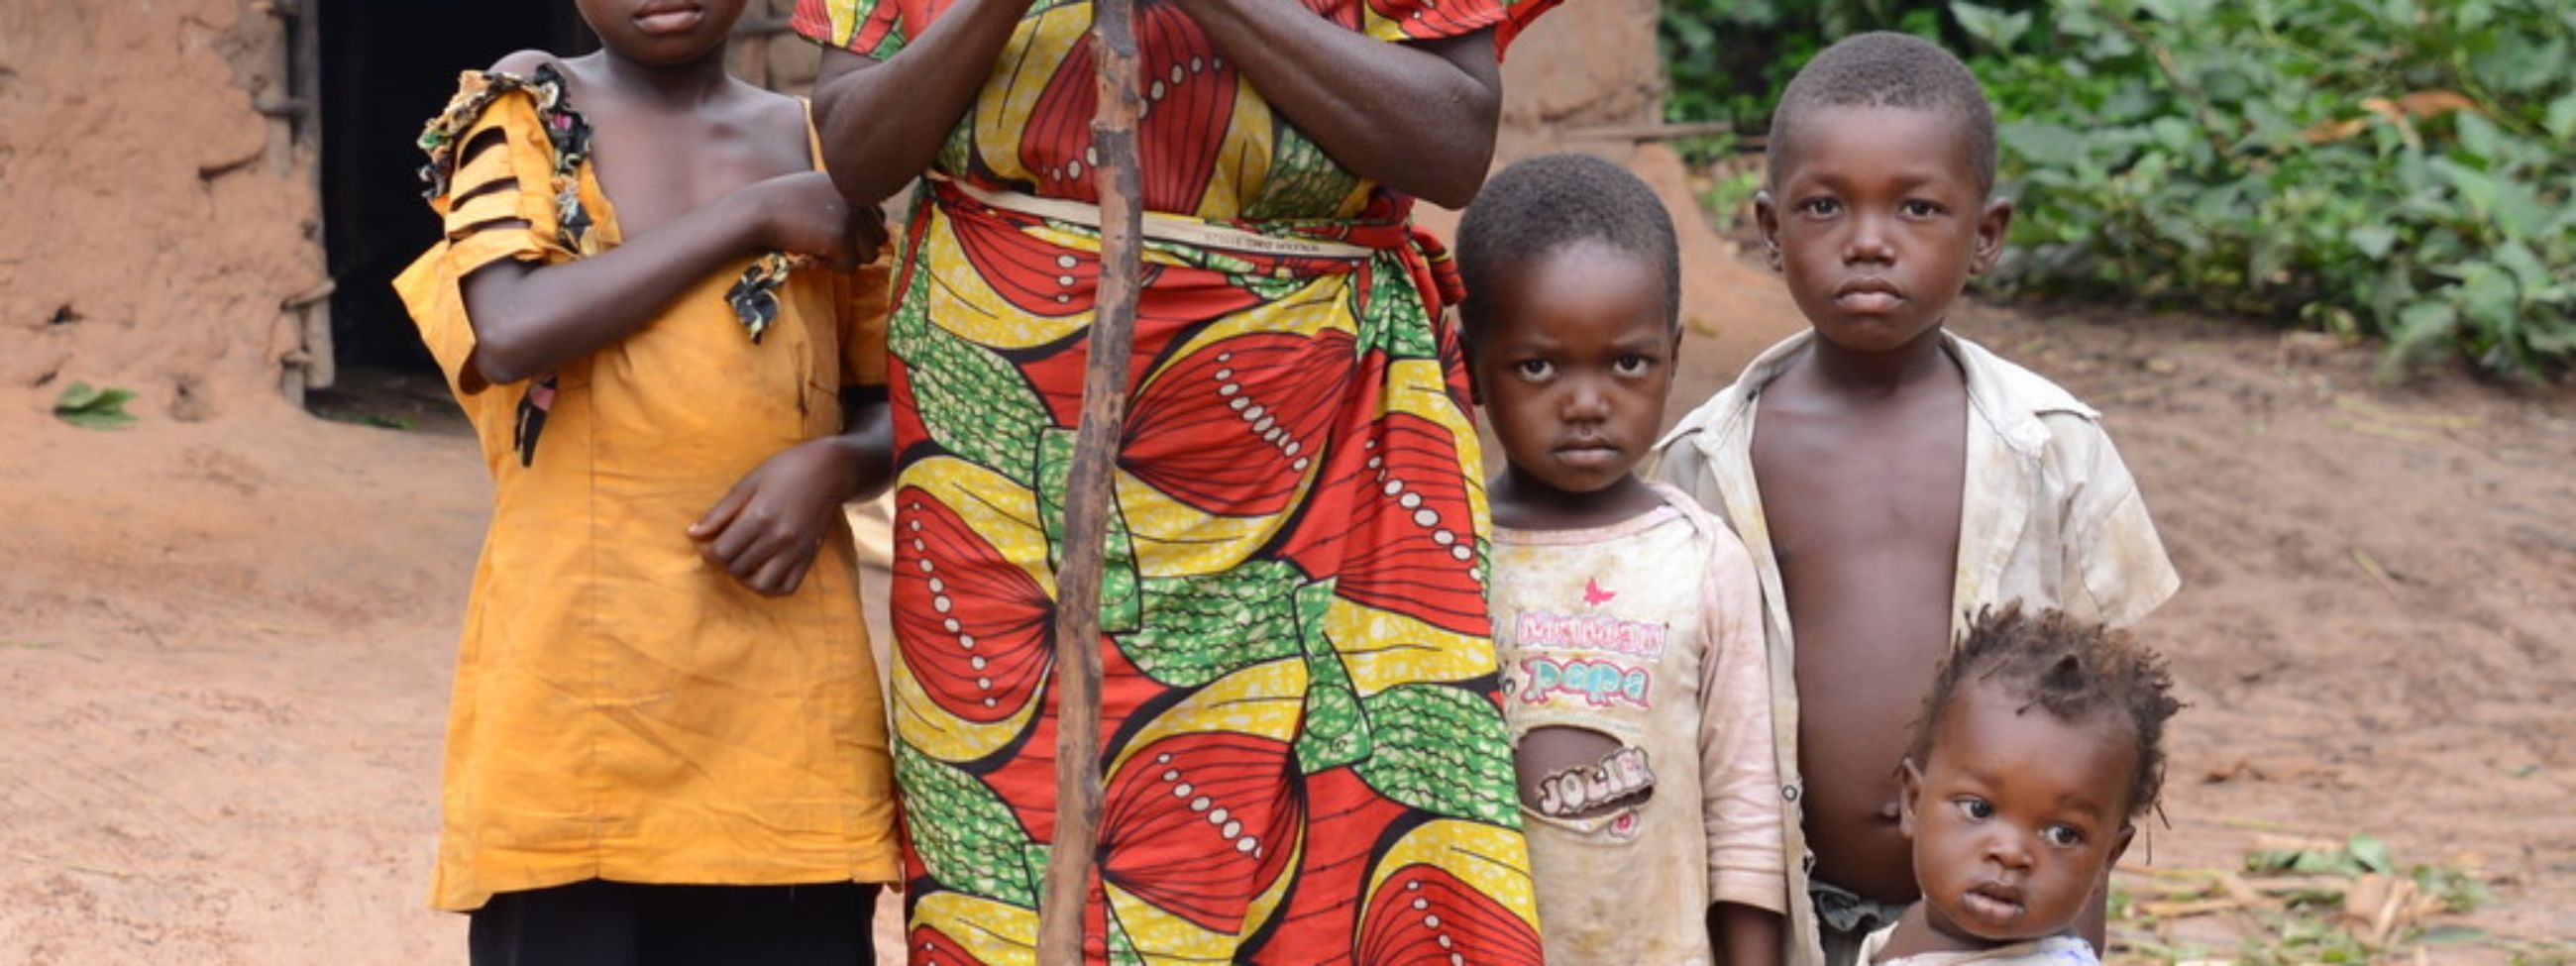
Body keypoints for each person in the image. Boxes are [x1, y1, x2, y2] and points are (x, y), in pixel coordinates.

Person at [792, 0, 1557, 961]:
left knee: (1343, 855)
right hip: (1000, 470)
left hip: (1325, 448)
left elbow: (1448, 144)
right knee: (1014, 860)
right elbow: (857, 154)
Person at [1650, 32, 2182, 966]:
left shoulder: (2052, 445)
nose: (1867, 240)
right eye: (1825, 206)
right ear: (1771, 232)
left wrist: (2074, 950)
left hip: (2005, 923)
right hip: (1784, 911)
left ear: (1986, 235)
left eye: (1918, 207)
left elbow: (2098, 727)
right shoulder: (1707, 458)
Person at [391, 0, 900, 961]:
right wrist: (749, 214)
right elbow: (512, 330)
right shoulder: (525, 114)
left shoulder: (821, 146)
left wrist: (832, 463)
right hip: (577, 691)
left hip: (781, 708)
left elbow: (890, 403)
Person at [1457, 154, 1787, 965]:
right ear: (1470, 363)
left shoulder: (1703, 560)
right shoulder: (1446, 550)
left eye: (1627, 363)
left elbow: (1744, 811)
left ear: (1672, 359)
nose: (1585, 402)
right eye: (1537, 365)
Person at [1863, 604, 2181, 965]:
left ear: (2109, 855)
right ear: (1914, 801)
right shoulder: (1910, 930)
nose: (2011, 853)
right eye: (1978, 809)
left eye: (2063, 834)